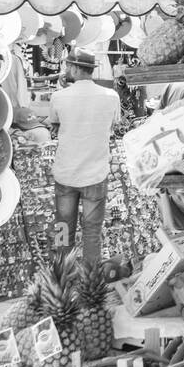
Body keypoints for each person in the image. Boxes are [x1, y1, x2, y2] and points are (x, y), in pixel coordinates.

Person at [48, 49, 120, 266]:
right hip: (95, 174)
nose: (67, 69)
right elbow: (113, 125)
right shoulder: (111, 96)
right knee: (92, 231)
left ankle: (62, 273)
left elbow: (55, 123)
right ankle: (91, 276)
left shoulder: (58, 97)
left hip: (66, 173)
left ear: (76, 68)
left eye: (69, 66)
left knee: (63, 226)